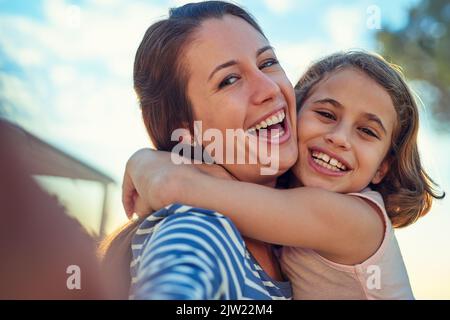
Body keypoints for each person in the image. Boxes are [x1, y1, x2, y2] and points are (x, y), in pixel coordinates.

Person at [123, 51, 445, 299]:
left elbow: (174, 186)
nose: (339, 137)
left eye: (367, 131)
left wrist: (143, 162)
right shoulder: (280, 207)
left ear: (382, 167)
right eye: (326, 114)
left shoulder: (359, 221)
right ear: (292, 116)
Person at [101, 1, 299, 299]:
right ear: (188, 130)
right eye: (229, 80)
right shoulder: (196, 232)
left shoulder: (305, 225)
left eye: (267, 62)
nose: (270, 88)